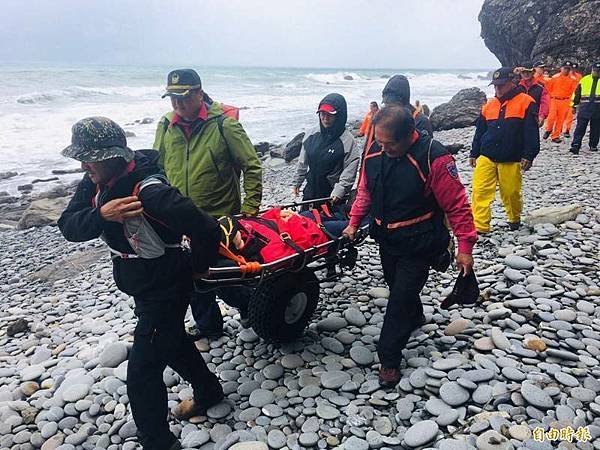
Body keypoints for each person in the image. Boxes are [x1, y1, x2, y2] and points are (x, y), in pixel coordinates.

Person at [58, 117, 224, 450]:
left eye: (89, 156)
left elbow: (207, 229)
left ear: (113, 156)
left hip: (167, 288)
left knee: (143, 372)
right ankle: (209, 391)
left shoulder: (151, 191)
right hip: (143, 286)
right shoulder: (95, 181)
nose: (82, 163)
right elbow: (68, 225)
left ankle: (157, 442)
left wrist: (196, 269)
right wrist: (102, 215)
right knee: (172, 340)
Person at [343, 106, 477, 387]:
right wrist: (354, 223)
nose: (383, 147)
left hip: (419, 241)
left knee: (400, 297)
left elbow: (457, 205)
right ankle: (415, 315)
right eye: (379, 141)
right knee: (397, 286)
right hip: (386, 238)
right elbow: (365, 191)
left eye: (389, 143)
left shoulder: (434, 158)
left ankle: (389, 358)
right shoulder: (375, 153)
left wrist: (465, 245)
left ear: (409, 136)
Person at [153, 69, 262, 338]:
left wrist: (250, 210)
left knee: (220, 275)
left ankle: (250, 305)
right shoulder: (166, 125)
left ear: (199, 93)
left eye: (184, 98)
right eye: (172, 99)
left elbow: (252, 166)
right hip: (178, 215)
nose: (177, 105)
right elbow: (156, 167)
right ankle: (209, 326)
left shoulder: (225, 125)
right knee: (190, 274)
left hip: (218, 217)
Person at [470, 67, 540, 233]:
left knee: (511, 193)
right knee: (480, 191)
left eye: (501, 85)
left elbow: (531, 132)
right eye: (495, 86)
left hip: (511, 157)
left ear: (512, 83)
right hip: (486, 156)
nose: (497, 89)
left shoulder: (526, 102)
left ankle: (514, 218)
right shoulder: (489, 105)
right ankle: (480, 226)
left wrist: (529, 155)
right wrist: (474, 153)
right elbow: (480, 131)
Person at [292, 93, 360, 204]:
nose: (325, 118)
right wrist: (297, 182)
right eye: (322, 114)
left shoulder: (347, 141)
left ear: (339, 115)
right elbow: (302, 162)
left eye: (330, 114)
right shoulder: (311, 135)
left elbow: (350, 170)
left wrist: (339, 191)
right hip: (311, 191)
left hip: (333, 196)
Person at [363, 74, 433, 152]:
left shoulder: (420, 121)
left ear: (402, 102)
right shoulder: (380, 119)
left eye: (391, 104)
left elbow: (425, 151)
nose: (388, 107)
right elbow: (368, 148)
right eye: (386, 103)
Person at [543, 61, 579, 143]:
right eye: (565, 68)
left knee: (561, 119)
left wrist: (572, 103)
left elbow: (573, 91)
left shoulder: (573, 79)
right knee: (551, 117)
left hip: (565, 101)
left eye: (568, 69)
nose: (566, 70)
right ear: (561, 68)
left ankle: (555, 136)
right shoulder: (555, 77)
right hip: (554, 99)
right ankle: (548, 129)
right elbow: (548, 88)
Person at [569, 62, 600, 155]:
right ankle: (575, 145)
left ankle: (593, 145)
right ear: (592, 70)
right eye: (595, 70)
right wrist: (573, 105)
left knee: (596, 129)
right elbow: (577, 93)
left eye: (598, 71)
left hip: (598, 109)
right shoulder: (584, 80)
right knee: (580, 128)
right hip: (584, 108)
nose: (597, 72)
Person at [518, 62, 550, 126]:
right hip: (517, 117)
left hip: (533, 118)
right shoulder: (516, 86)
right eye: (523, 72)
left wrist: (542, 115)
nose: (526, 74)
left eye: (528, 72)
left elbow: (545, 102)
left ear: (533, 72)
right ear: (520, 73)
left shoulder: (541, 86)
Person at [563, 62, 584, 138]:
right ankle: (556, 129)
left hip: (573, 97)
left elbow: (580, 87)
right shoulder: (565, 75)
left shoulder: (579, 76)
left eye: (575, 68)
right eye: (572, 68)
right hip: (564, 97)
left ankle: (567, 130)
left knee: (570, 115)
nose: (573, 70)